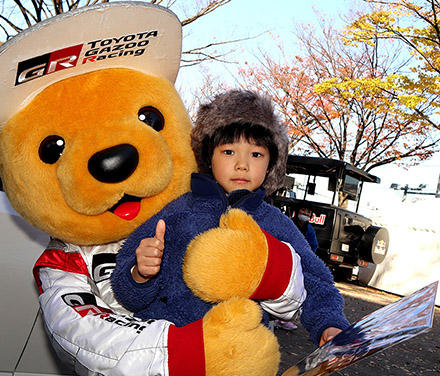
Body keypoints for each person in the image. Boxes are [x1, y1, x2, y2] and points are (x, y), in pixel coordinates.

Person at [112, 90, 350, 347]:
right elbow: (126, 293)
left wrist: (330, 323)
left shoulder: (276, 224)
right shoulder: (177, 213)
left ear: (270, 165)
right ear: (208, 157)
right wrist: (140, 274)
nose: (242, 164)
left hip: (238, 364)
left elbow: (316, 279)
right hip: (164, 359)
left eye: (256, 154)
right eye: (228, 152)